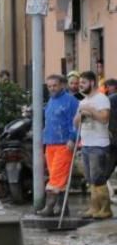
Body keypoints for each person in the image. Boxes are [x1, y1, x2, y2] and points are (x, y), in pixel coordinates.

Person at [36, 75, 79, 217]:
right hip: (50, 143)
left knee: (56, 177)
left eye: (54, 85)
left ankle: (49, 207)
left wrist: (72, 138)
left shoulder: (70, 101)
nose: (52, 88)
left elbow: (75, 122)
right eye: (49, 86)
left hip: (64, 144)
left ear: (62, 85)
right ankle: (62, 208)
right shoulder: (51, 100)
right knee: (58, 177)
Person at [74, 71, 112, 219]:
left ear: (92, 82)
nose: (80, 86)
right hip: (86, 144)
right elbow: (76, 124)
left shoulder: (101, 99)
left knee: (98, 178)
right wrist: (80, 116)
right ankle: (94, 207)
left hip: (99, 144)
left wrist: (91, 111)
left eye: (83, 83)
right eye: (80, 83)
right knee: (90, 179)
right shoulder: (82, 101)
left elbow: (104, 118)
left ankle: (105, 209)